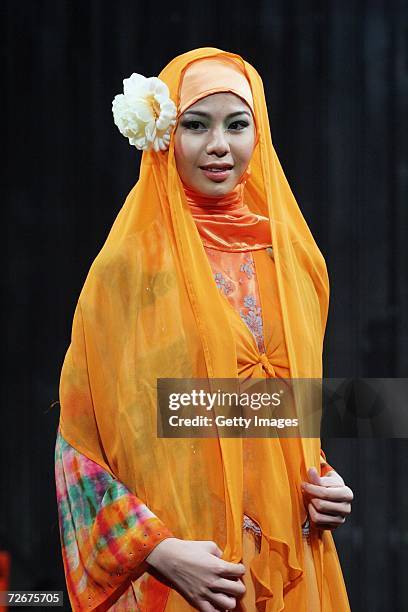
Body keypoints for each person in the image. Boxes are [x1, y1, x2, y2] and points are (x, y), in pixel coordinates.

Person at [55, 47, 353, 611]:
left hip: (291, 559)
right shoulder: (132, 267)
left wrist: (324, 481)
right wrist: (158, 550)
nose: (219, 145)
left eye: (237, 124)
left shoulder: (295, 262)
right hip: (184, 566)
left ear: (258, 134)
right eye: (196, 125)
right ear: (165, 135)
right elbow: (82, 443)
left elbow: (277, 413)